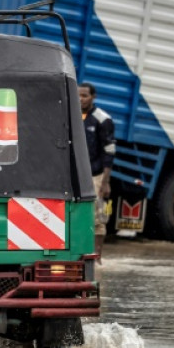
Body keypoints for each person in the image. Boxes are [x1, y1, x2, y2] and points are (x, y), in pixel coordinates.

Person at [78, 82, 114, 263]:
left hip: (96, 175)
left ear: (93, 97)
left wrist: (105, 181)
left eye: (84, 95)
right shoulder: (74, 116)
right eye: (78, 95)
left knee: (98, 218)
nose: (80, 99)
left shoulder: (103, 119)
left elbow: (109, 152)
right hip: (77, 176)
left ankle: (97, 257)